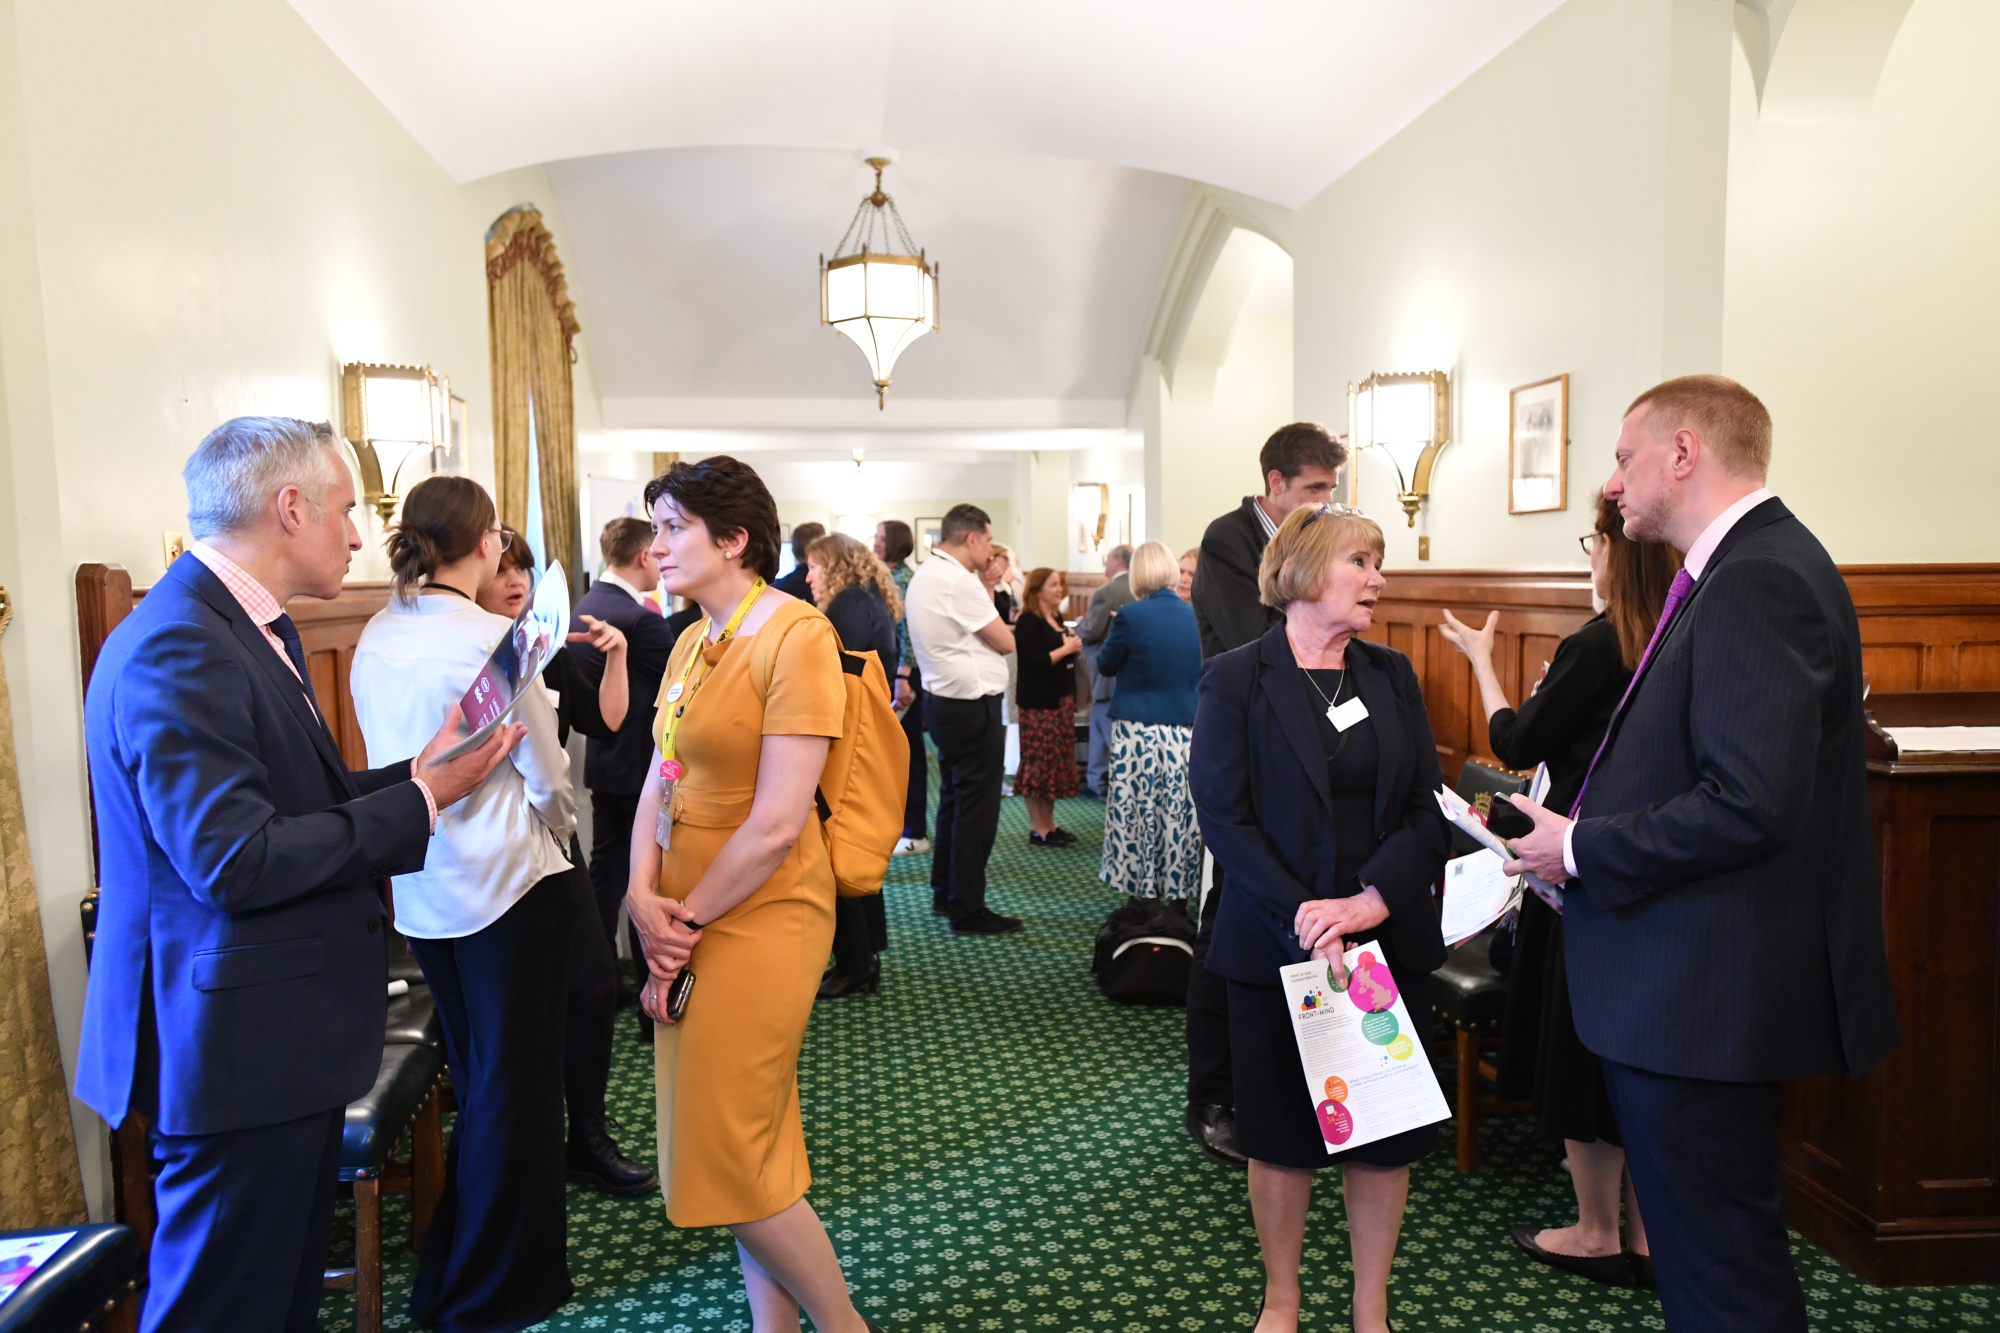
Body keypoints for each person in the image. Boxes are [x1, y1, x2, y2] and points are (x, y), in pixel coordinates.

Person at [76, 417, 521, 1333]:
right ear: (290, 508)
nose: (359, 535)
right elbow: (234, 859)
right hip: (234, 1046)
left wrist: (415, 776)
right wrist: (427, 801)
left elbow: (292, 803)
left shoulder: (235, 624)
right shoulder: (182, 642)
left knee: (274, 1302)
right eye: (346, 510)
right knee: (223, 1306)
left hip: (271, 1036)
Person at [1501, 375, 1898, 1333]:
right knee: (1702, 1257)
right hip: (1695, 981)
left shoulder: (1759, 575)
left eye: (1624, 456)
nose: (1613, 480)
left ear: (1684, 453)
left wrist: (1583, 847)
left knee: (1721, 1270)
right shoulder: (1737, 568)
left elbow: (1750, 801)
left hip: (1705, 995)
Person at [620, 456, 883, 1333]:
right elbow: (660, 777)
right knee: (754, 1142)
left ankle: (844, 1324)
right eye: (655, 527)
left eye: (672, 528)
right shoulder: (694, 637)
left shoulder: (795, 634)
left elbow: (775, 824)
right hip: (685, 907)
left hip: (763, 912)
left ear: (734, 539)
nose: (655, 546)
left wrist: (679, 920)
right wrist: (638, 893)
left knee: (723, 1146)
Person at [1190, 502, 1452, 1333]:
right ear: (1303, 573)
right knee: (1281, 1136)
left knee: (1380, 1135)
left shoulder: (1392, 674)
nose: (1379, 577)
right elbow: (1224, 817)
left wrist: (1372, 898)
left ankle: (1370, 1306)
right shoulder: (1236, 677)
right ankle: (1283, 1296)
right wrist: (1309, 913)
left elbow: (1424, 808)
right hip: (1275, 940)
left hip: (1383, 937)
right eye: (1361, 560)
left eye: (1380, 560)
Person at [351, 476, 581, 1333]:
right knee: (516, 1086)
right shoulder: (497, 638)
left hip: (421, 884)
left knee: (484, 1080)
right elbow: (546, 773)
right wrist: (563, 831)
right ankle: (497, 1286)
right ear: (484, 543)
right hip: (510, 884)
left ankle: (456, 1262)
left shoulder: (377, 632)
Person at [1436, 493, 1682, 1288]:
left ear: (1616, 550)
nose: (1589, 556)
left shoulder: (1598, 641)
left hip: (1573, 868)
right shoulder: (1677, 634)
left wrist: (1481, 660)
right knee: (1637, 1058)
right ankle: (1648, 1234)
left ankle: (1594, 1228)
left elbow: (1515, 740)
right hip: (1649, 869)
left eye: (1592, 542)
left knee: (1582, 1052)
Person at [1183, 421, 1347, 1169]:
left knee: (1300, 923)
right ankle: (1213, 1094)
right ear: (1273, 484)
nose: (1324, 506)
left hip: (1310, 756)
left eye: (1331, 492)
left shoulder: (1311, 543)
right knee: (1231, 925)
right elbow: (1264, 634)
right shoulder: (1227, 539)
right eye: (1313, 490)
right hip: (1245, 751)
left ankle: (1310, 1083)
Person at [479, 527, 658, 1197]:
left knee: (589, 982)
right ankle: (527, 1143)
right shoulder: (469, 651)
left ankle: (586, 1133)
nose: (514, 578)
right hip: (497, 842)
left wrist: (612, 658)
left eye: (521, 566)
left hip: (556, 835)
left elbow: (607, 720)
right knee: (529, 994)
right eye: (500, 568)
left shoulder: (543, 643)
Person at [570, 516, 684, 1045]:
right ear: (644, 557)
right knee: (647, 881)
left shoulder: (587, 603)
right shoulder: (642, 620)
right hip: (643, 768)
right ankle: (647, 1000)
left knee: (607, 879)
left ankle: (603, 978)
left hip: (605, 761)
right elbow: (683, 691)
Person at [904, 503, 1022, 936]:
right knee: (977, 810)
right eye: (988, 539)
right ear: (970, 538)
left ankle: (946, 893)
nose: (990, 548)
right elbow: (1005, 641)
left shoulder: (930, 574)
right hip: (972, 707)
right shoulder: (958, 581)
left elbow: (975, 628)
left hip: (944, 702)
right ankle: (968, 909)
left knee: (954, 800)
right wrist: (988, 591)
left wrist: (987, 588)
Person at [805, 530, 901, 998]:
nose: (808, 577)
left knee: (840, 849)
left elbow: (840, 682)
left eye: (814, 568)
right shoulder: (863, 600)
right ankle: (863, 955)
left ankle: (856, 961)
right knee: (853, 844)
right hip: (860, 736)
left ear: (835, 567)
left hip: (847, 741)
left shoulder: (846, 609)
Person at [1097, 541, 1203, 904]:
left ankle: (1141, 896)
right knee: (1176, 811)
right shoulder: (1197, 616)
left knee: (1138, 811)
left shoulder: (1130, 615)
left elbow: (1105, 665)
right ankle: (1176, 898)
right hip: (1184, 729)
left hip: (1137, 730)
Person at [1011, 567, 1084, 846]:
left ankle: (1050, 824)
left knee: (1053, 766)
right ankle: (1037, 828)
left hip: (1060, 702)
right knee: (1037, 766)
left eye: (1060, 584)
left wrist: (1071, 650)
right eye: (1053, 585)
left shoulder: (1055, 617)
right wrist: (1066, 649)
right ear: (1037, 590)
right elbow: (1033, 662)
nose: (1059, 590)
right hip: (1038, 705)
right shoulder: (1028, 621)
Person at [875, 520, 930, 856]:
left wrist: (902, 677)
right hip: (892, 673)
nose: (876, 542)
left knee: (909, 754)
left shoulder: (905, 580)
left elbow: (908, 633)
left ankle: (915, 831)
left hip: (903, 676)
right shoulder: (886, 575)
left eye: (881, 537)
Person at [1075, 544, 1132, 798]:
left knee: (1107, 726)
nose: (1105, 563)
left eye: (1107, 558)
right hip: (1130, 671)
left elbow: (1091, 631)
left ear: (1118, 561)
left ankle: (1108, 782)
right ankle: (1096, 780)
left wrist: (1074, 630)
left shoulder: (1108, 591)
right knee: (1101, 721)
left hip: (1105, 669)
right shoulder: (1141, 588)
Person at [771, 520, 825, 601]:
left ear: (793, 551)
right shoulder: (835, 587)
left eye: (813, 567)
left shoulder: (778, 588)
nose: (808, 580)